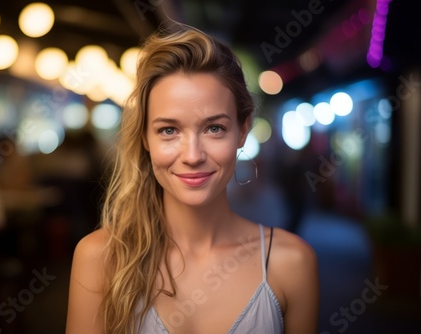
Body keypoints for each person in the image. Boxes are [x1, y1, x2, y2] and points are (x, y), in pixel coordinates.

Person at [66, 24, 319, 334]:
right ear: (145, 138)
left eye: (214, 128)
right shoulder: (100, 258)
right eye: (168, 130)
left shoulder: (291, 262)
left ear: (242, 130)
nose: (192, 155)